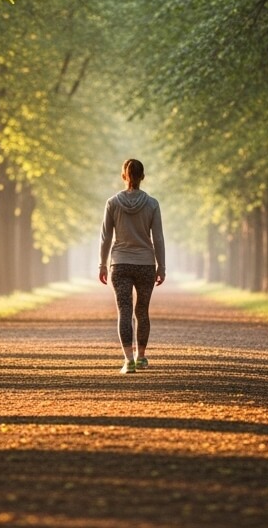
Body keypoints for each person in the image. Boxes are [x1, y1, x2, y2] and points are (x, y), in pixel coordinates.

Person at [98, 158, 166, 375]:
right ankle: (142, 356)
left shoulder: (112, 203)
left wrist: (102, 264)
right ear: (142, 176)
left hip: (120, 264)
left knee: (124, 312)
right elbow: (159, 238)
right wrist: (161, 266)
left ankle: (128, 360)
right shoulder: (152, 204)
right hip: (145, 263)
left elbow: (105, 237)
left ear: (124, 176)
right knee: (142, 311)